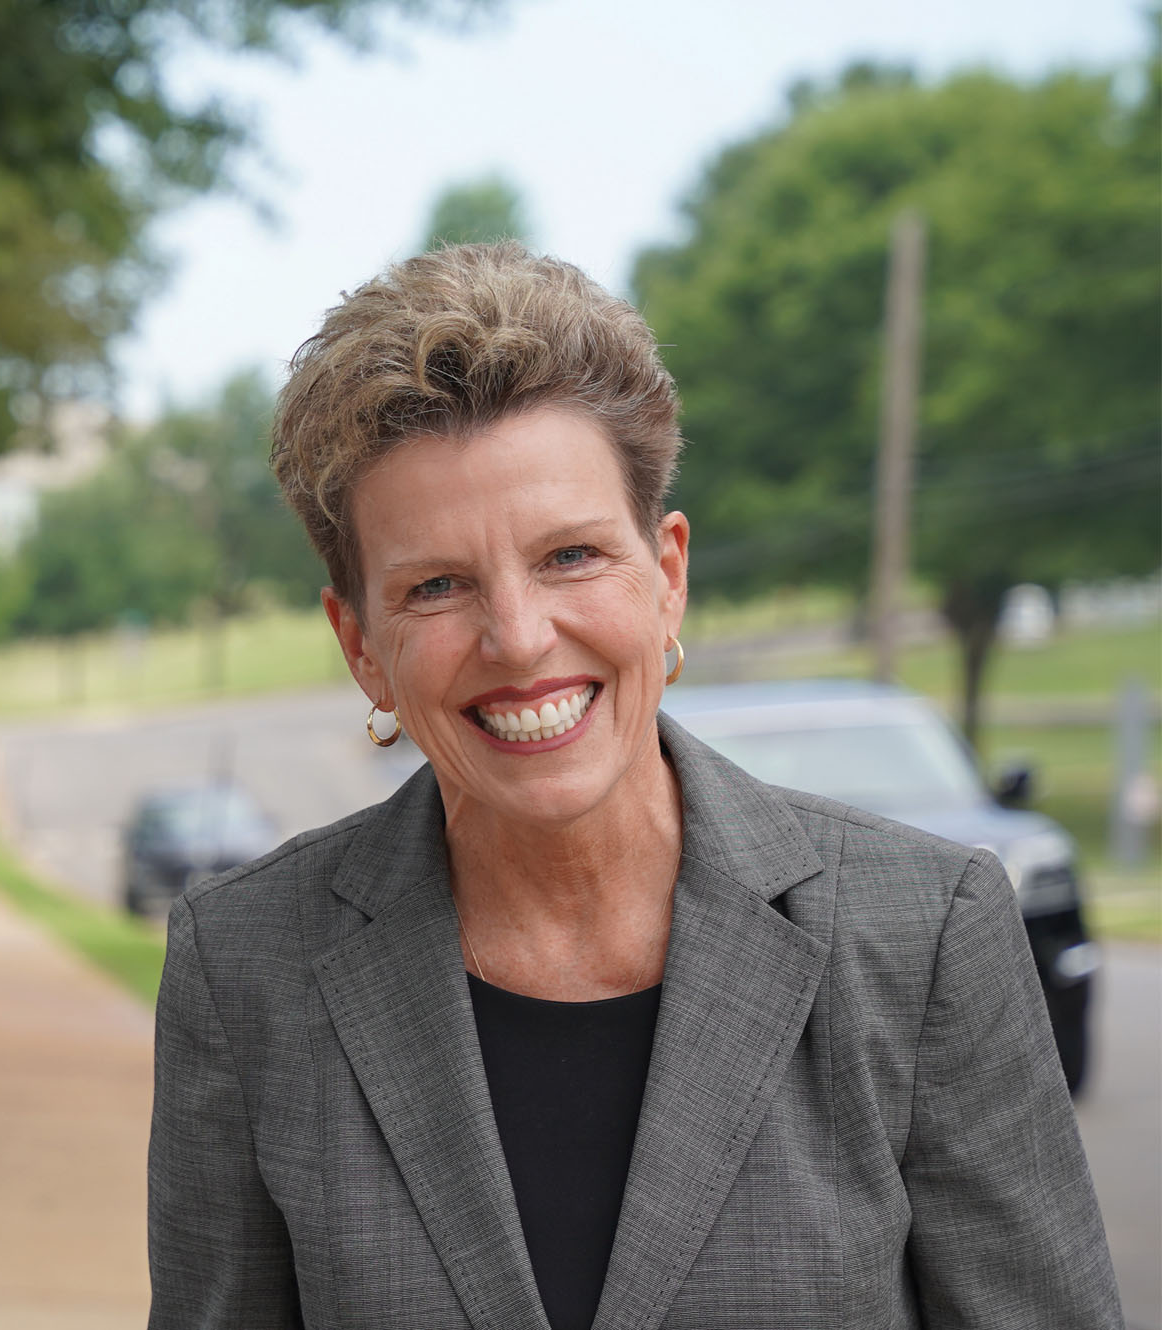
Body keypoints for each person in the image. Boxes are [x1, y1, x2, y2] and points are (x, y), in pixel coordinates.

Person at [145, 242, 1121, 1329]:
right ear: (359, 643)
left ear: (666, 577)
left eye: (568, 556)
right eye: (435, 585)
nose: (517, 639)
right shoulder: (245, 972)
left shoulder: (921, 938)